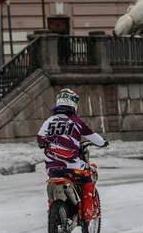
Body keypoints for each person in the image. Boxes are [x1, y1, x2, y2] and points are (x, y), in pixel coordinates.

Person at [37, 88, 107, 220]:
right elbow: (95, 138)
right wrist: (103, 143)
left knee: (52, 189)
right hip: (72, 167)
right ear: (74, 104)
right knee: (89, 174)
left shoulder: (48, 121)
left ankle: (53, 213)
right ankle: (88, 212)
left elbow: (40, 139)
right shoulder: (77, 122)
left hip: (52, 168)